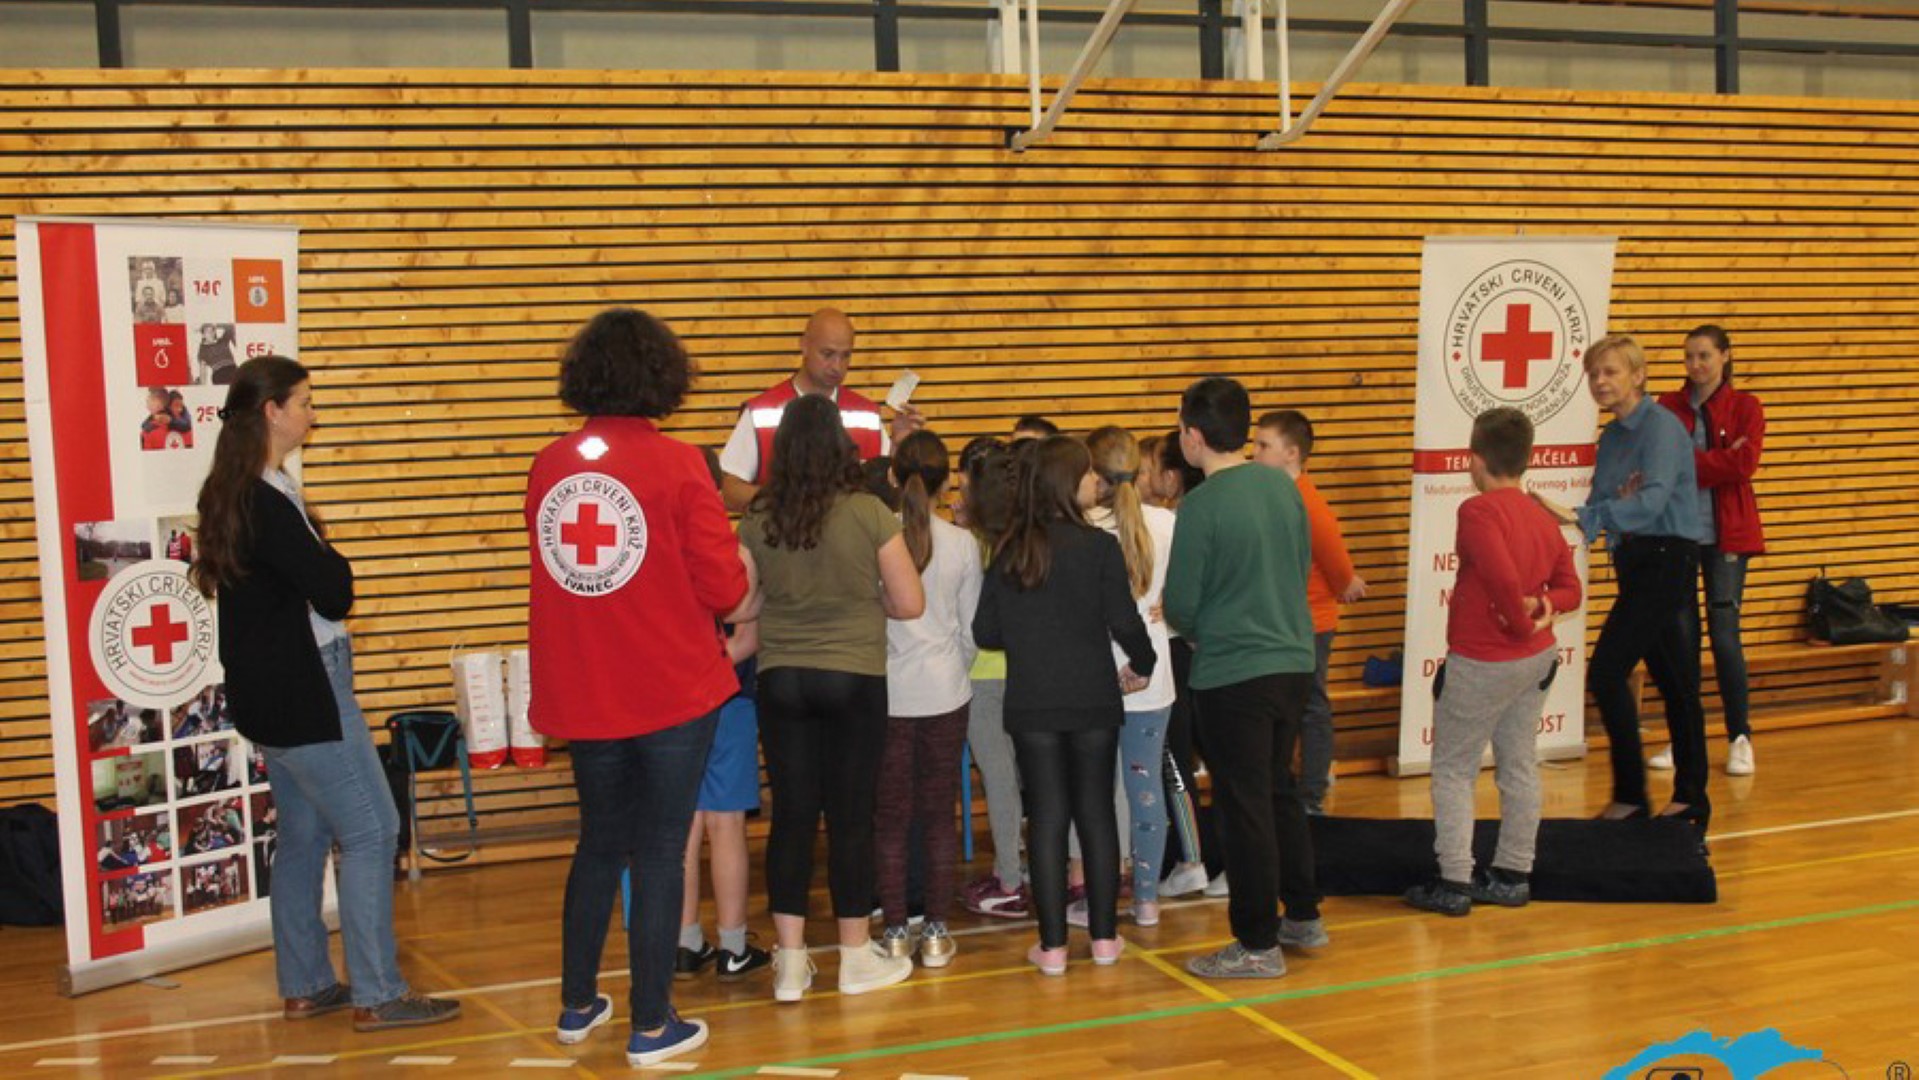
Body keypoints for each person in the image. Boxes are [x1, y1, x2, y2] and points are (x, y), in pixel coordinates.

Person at [190, 355, 460, 1032]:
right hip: (305, 689)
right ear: (272, 411)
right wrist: (334, 560)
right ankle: (378, 993)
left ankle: (307, 984)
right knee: (374, 829)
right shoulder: (264, 499)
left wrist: (324, 561)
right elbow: (335, 591)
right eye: (305, 402)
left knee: (305, 835)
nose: (313, 415)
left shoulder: (245, 488)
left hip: (273, 693)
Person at [526, 308, 753, 1066]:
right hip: (667, 688)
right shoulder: (680, 464)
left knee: (599, 842)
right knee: (659, 851)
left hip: (585, 689)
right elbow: (724, 588)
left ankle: (576, 1003)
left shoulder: (550, 465)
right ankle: (652, 1024)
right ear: (663, 376)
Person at [739, 394, 926, 1003]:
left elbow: (738, 605)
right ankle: (854, 957)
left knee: (792, 817)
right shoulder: (870, 511)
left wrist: (782, 597)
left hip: (782, 679)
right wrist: (863, 598)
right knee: (850, 818)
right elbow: (910, 602)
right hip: (853, 676)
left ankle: (790, 965)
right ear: (842, 446)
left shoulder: (759, 516)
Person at [973, 435, 1155, 976]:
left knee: (1047, 816)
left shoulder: (1012, 549)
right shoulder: (1098, 547)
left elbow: (986, 632)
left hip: (1033, 699)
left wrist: (1031, 631)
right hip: (1092, 696)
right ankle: (1104, 938)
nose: (1095, 481)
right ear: (1067, 482)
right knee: (1096, 812)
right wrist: (1143, 663)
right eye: (1087, 474)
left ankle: (1051, 946)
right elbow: (1125, 620)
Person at [1164, 376, 1325, 980]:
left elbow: (1182, 604)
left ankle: (1257, 943)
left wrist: (1207, 624)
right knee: (1278, 791)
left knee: (1244, 805)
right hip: (1293, 662)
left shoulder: (1202, 505)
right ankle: (1302, 913)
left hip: (1235, 673)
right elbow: (1299, 564)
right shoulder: (1282, 485)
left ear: (1193, 436)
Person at [1405, 408, 1582, 916]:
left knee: (1453, 770)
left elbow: (1502, 578)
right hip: (1535, 661)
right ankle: (1512, 873)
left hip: (1484, 659)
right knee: (1518, 763)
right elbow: (1571, 589)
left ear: (1475, 459)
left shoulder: (1478, 511)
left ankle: (1454, 880)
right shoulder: (1539, 514)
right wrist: (1543, 608)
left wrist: (1521, 620)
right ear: (1526, 458)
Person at [1556, 335, 1710, 826]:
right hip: (1635, 559)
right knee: (1676, 681)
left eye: (1611, 372)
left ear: (1638, 376)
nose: (1600, 382)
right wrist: (1612, 509)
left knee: (1607, 671)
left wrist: (1610, 510)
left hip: (1667, 558)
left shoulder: (1661, 428)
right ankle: (1690, 796)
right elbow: (1607, 501)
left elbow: (1649, 502)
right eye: (1593, 374)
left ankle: (1633, 795)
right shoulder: (1612, 437)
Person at [877, 430, 982, 967]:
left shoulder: (878, 537)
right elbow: (971, 632)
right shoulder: (962, 544)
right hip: (944, 690)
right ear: (946, 485)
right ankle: (936, 934)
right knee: (940, 814)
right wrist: (949, 669)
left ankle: (896, 931)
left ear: (893, 476)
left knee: (890, 817)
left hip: (889, 693)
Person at [1070, 426, 1177, 929]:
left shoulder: (1084, 526)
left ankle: (1100, 898)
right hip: (1150, 678)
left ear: (1092, 473)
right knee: (1145, 790)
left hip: (1096, 677)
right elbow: (1187, 596)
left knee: (1094, 795)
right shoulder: (1166, 523)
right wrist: (1169, 616)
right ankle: (1147, 900)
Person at [1653, 324, 1765, 778]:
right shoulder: (1667, 407)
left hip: (1726, 538)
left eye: (1704, 355)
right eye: (1689, 357)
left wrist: (1691, 464)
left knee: (1724, 637)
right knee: (1682, 642)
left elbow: (1744, 464)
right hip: (1679, 536)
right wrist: (1717, 462)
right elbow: (1662, 466)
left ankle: (1740, 737)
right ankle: (1685, 738)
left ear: (1725, 356)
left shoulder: (1746, 406)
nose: (1695, 365)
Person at [677, 450, 770, 987]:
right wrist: (708, 669)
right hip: (726, 699)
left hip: (685, 701)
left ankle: (686, 942)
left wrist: (690, 672)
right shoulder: (735, 551)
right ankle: (730, 946)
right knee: (724, 822)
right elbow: (748, 635)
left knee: (686, 824)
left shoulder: (663, 548)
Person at [1252, 411, 1367, 815]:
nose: (1254, 453)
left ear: (1291, 453)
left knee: (1311, 707)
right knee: (1290, 707)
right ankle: (1291, 787)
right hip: (1284, 621)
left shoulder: (1308, 503)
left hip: (1310, 623)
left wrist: (1346, 583)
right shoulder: (1275, 496)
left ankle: (1312, 793)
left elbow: (1337, 563)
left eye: (1263, 445)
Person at [718, 308, 922, 511]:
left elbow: (891, 490)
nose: (837, 366)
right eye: (827, 354)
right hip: (783, 530)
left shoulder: (867, 414)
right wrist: (787, 501)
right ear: (804, 345)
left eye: (845, 356)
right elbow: (730, 492)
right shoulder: (760, 412)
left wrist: (898, 446)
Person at [955, 438, 1032, 920]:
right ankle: (1027, 869)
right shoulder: (1025, 539)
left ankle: (1009, 880)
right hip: (1025, 672)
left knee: (1001, 778)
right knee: (1023, 778)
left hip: (983, 675)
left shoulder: (971, 543)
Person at [1135, 431, 1211, 899]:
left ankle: (1192, 858)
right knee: (1173, 757)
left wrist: (1176, 608)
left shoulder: (1174, 521)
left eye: (1148, 470)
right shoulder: (1162, 520)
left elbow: (1192, 586)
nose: (1144, 478)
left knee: (1173, 759)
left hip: (1176, 654)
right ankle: (1188, 853)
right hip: (1173, 650)